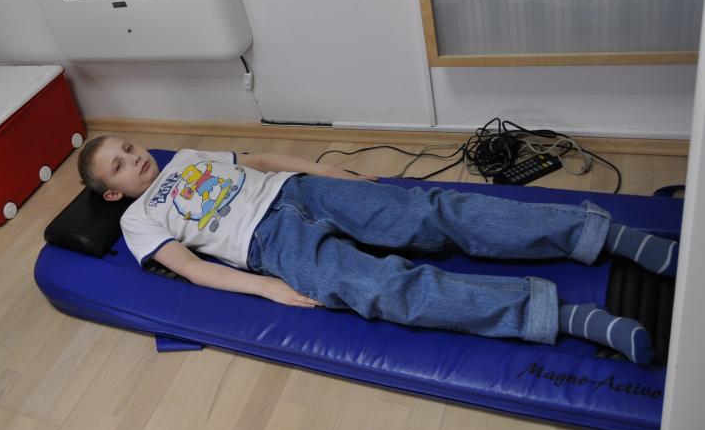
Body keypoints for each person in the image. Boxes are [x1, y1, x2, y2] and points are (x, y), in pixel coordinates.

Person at [78, 136, 680, 365]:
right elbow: (190, 268)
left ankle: (603, 236)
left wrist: (325, 170)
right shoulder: (138, 219)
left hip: (299, 191)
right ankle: (564, 317)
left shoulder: (185, 157)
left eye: (128, 148)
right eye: (119, 166)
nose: (134, 159)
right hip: (270, 246)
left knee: (431, 212)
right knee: (384, 289)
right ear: (111, 191)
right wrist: (268, 288)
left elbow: (257, 160)